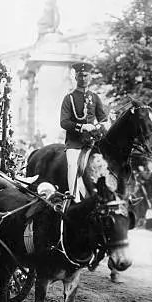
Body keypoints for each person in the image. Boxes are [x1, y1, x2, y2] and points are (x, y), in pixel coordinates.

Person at [59, 62, 108, 202]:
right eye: (80, 76)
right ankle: (74, 197)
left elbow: (102, 119)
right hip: (74, 142)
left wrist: (102, 125)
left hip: (92, 142)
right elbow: (64, 122)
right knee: (72, 164)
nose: (83, 79)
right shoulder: (69, 98)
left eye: (86, 75)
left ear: (90, 77)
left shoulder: (95, 97)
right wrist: (81, 127)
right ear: (75, 77)